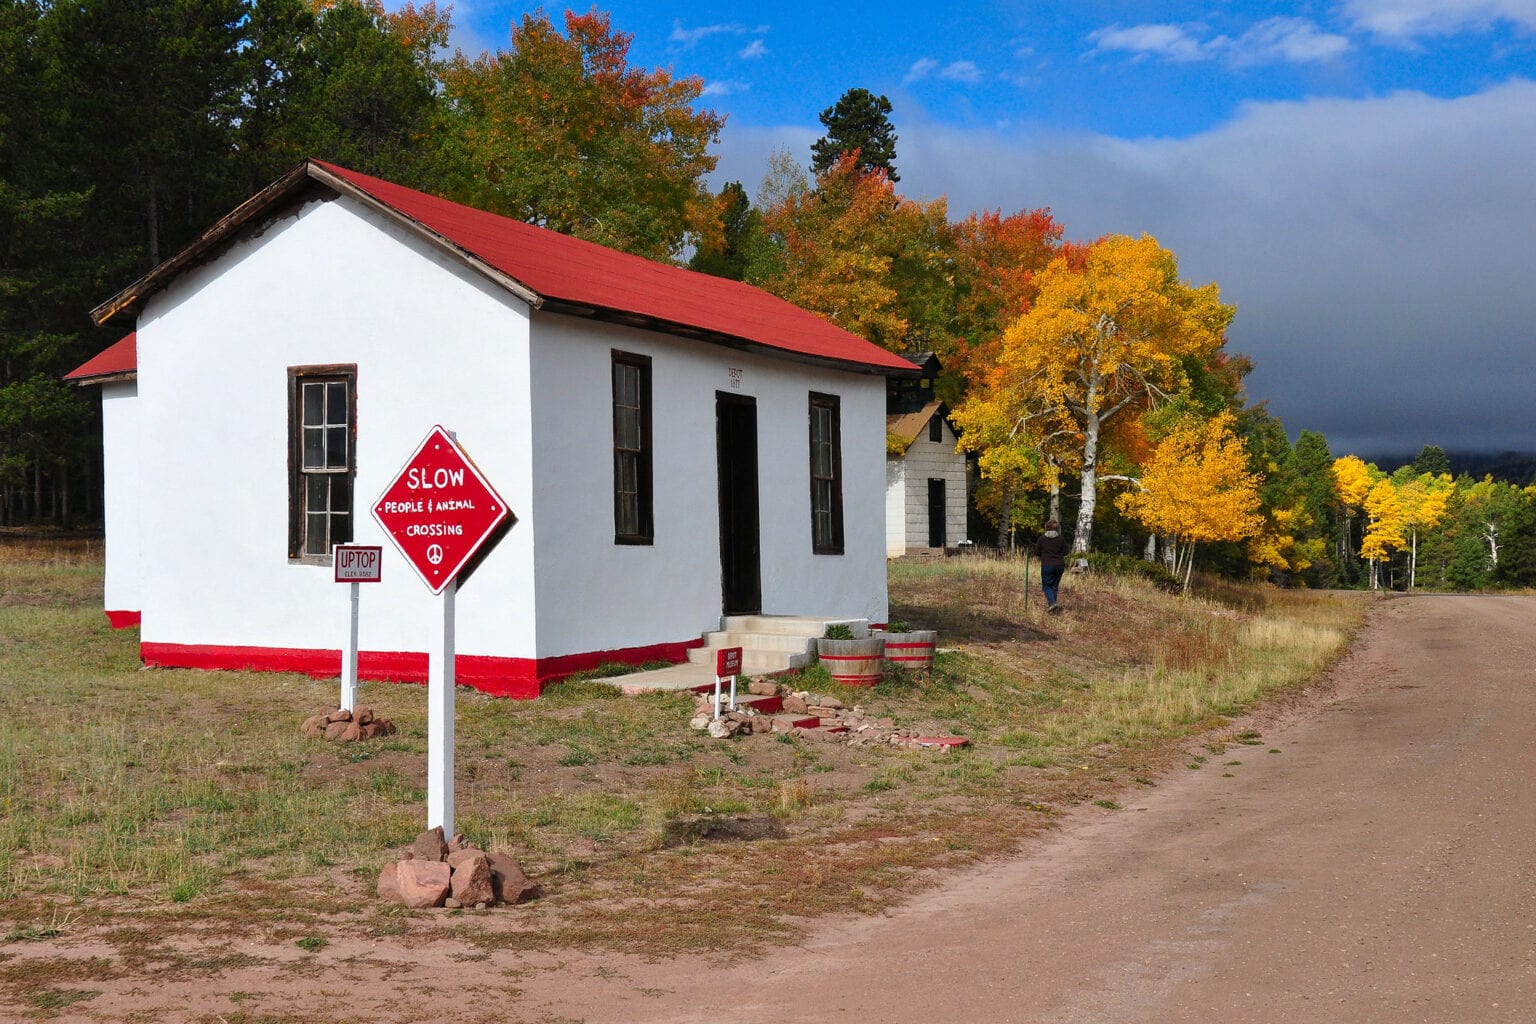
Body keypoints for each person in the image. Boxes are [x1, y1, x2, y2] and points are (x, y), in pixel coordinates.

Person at [1035, 519, 1069, 612]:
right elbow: (1066, 552)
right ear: (1057, 528)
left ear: (1046, 527)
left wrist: (1044, 553)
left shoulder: (1042, 539)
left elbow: (1037, 552)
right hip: (1059, 565)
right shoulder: (1061, 539)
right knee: (1054, 586)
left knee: (1046, 586)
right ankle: (1053, 607)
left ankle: (1052, 603)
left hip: (1047, 564)